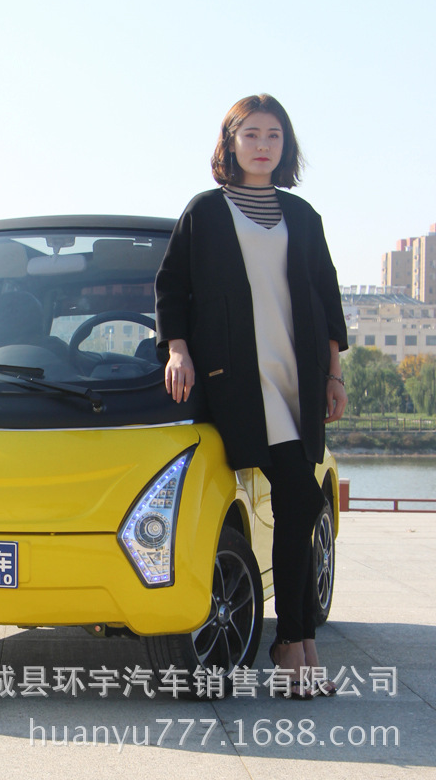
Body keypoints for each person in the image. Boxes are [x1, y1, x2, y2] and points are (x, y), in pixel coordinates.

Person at [154, 94, 348, 699]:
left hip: (296, 376)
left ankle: (296, 641)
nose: (263, 145)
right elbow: (172, 285)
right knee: (298, 496)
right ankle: (294, 643)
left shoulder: (302, 215)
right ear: (231, 142)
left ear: (285, 145)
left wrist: (334, 374)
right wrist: (177, 349)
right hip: (234, 376)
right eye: (252, 134)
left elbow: (327, 295)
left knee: (300, 503)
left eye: (274, 135)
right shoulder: (205, 211)